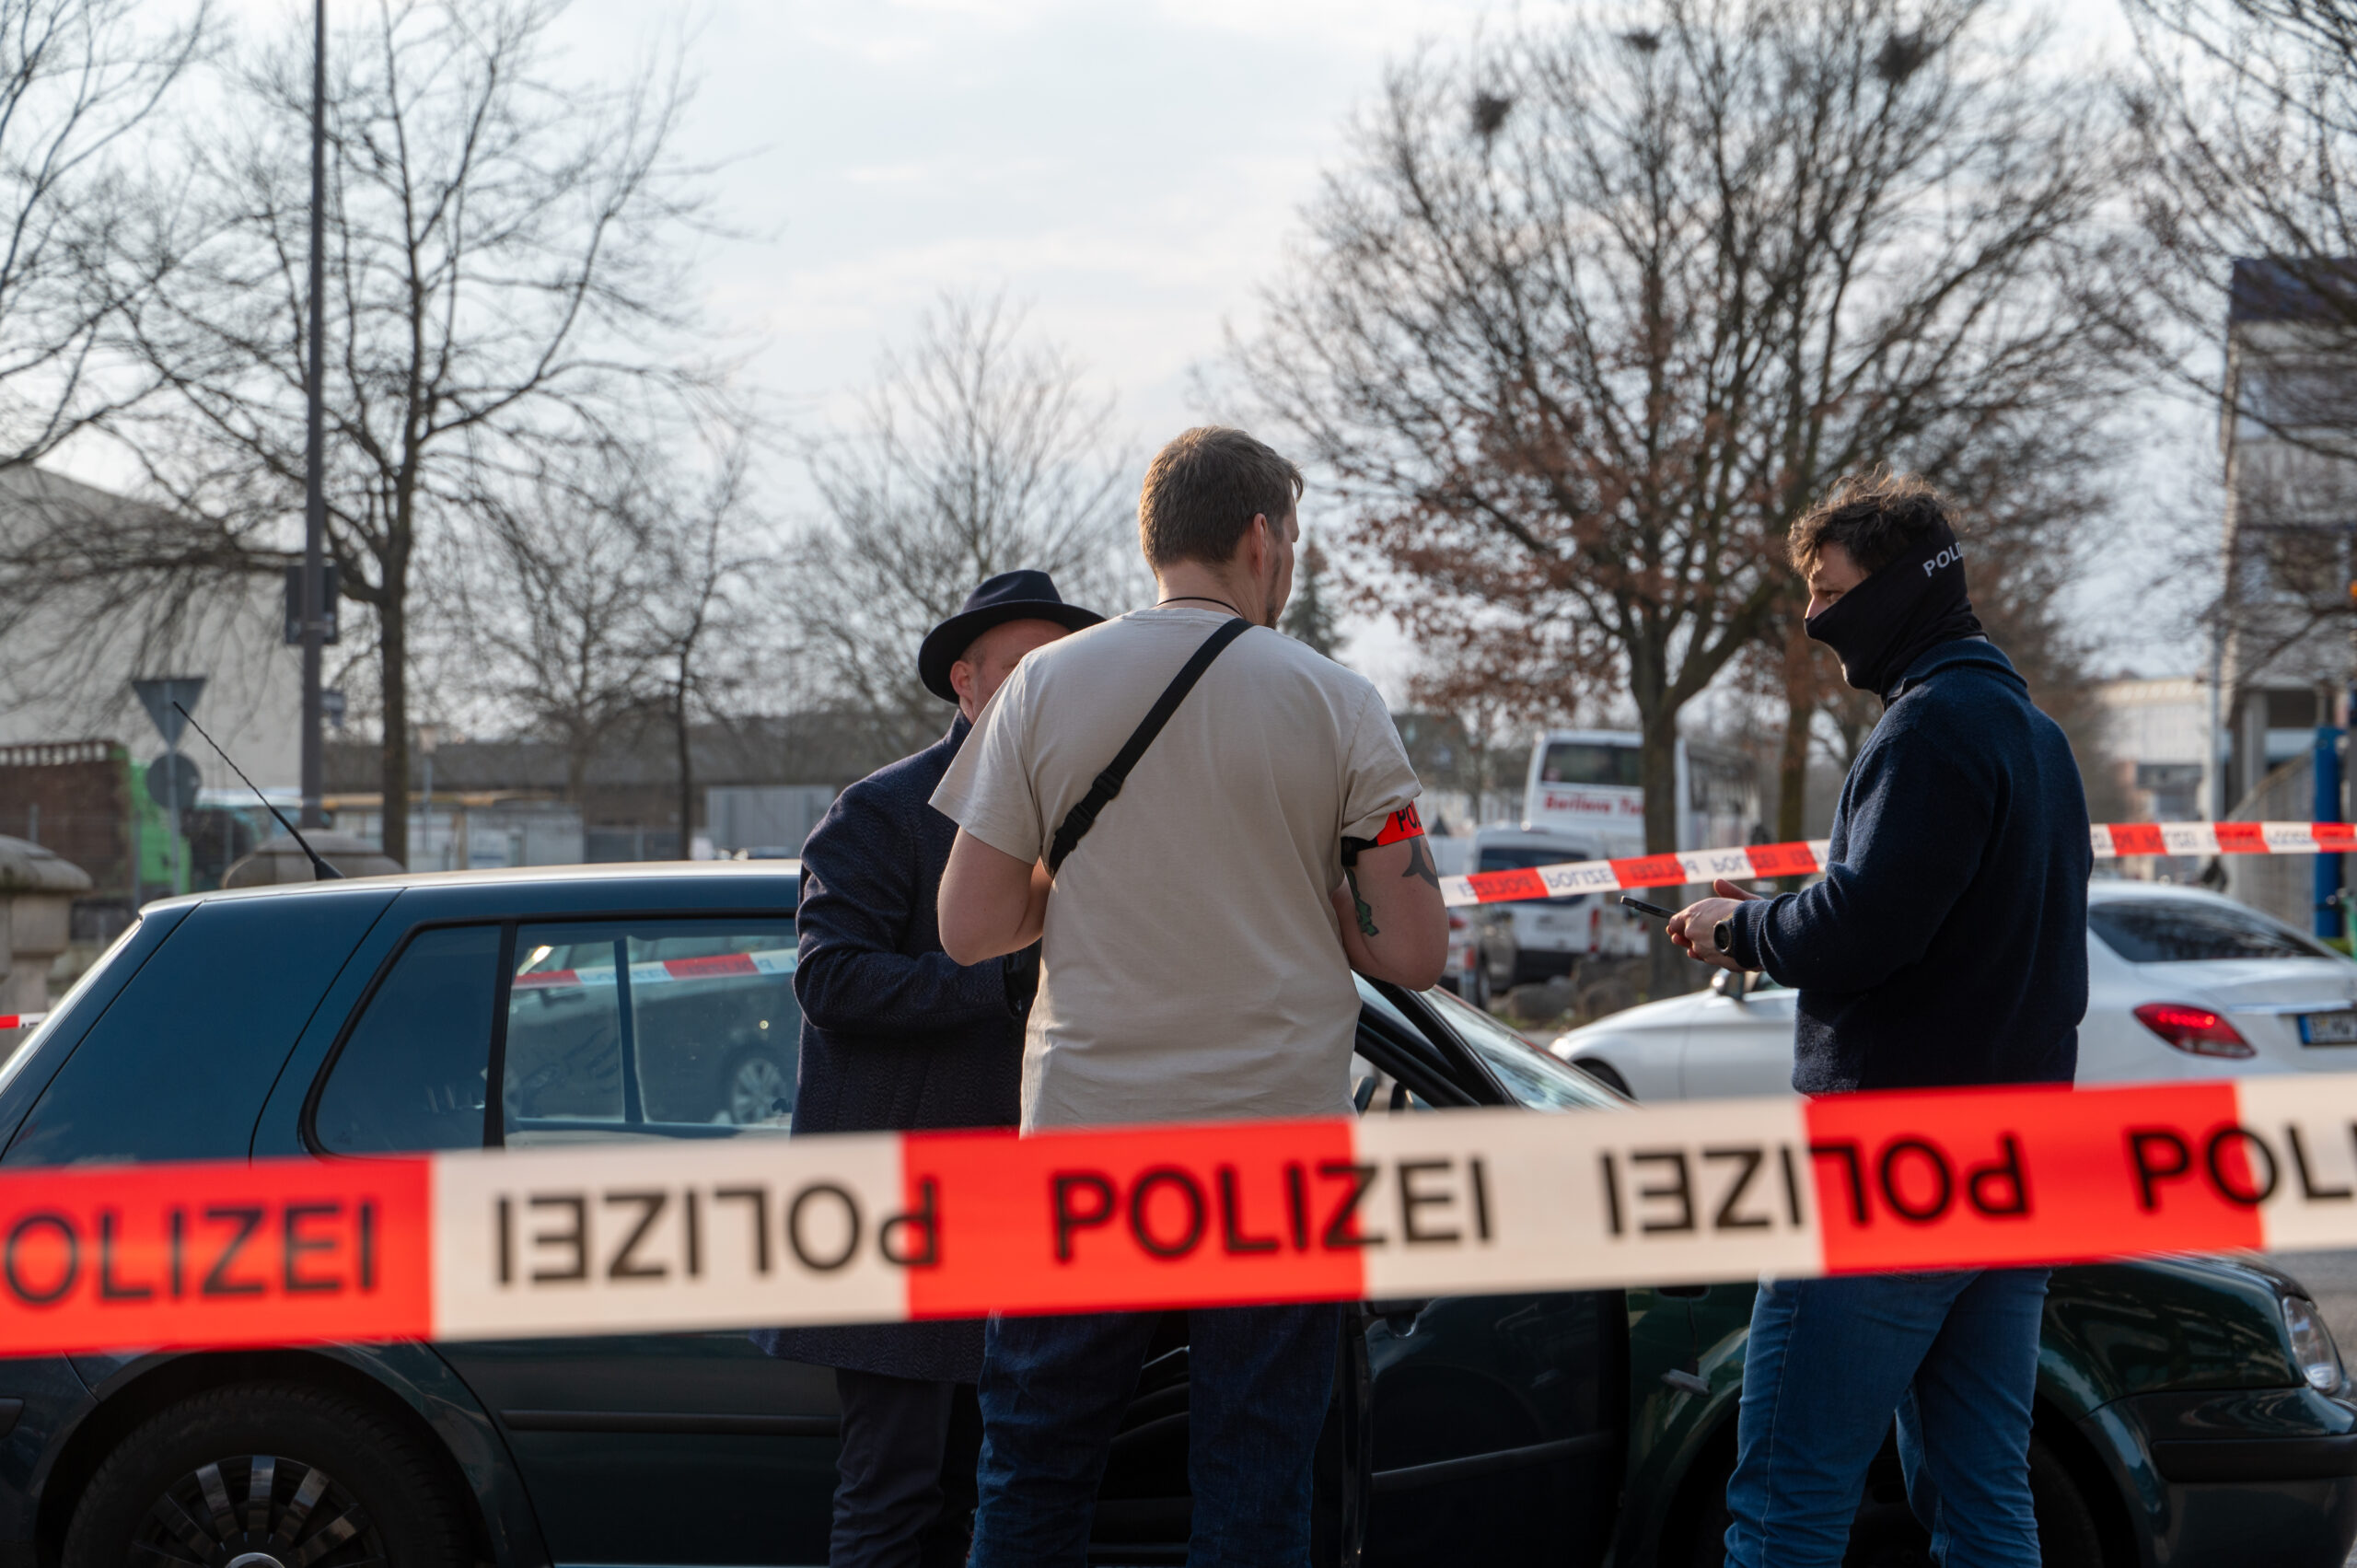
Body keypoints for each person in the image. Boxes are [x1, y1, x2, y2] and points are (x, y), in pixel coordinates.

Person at [929, 425, 1448, 1567]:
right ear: (1261, 539)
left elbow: (967, 927)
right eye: (1296, 540)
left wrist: (1069, 885)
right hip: (1275, 1159)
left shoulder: (1042, 689)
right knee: (1254, 1488)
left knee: (1033, 1479)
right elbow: (1412, 950)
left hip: (1082, 1151)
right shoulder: (1338, 701)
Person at [1666, 472, 2091, 1568]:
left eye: (1827, 591)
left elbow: (1863, 926)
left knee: (1785, 1503)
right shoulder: (2033, 737)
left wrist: (1743, 929)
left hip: (1892, 1165)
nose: (1813, 620)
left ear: (1901, 591)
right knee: (1982, 1495)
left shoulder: (1931, 727)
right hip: (2018, 1163)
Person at [753, 569, 1101, 1568]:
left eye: (1062, 672)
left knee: (974, 1508)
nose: (1047, 691)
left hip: (1018, 1226)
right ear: (965, 679)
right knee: (895, 1506)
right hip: (900, 1226)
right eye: (1025, 669)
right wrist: (994, 985)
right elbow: (831, 979)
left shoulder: (1073, 820)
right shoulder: (883, 808)